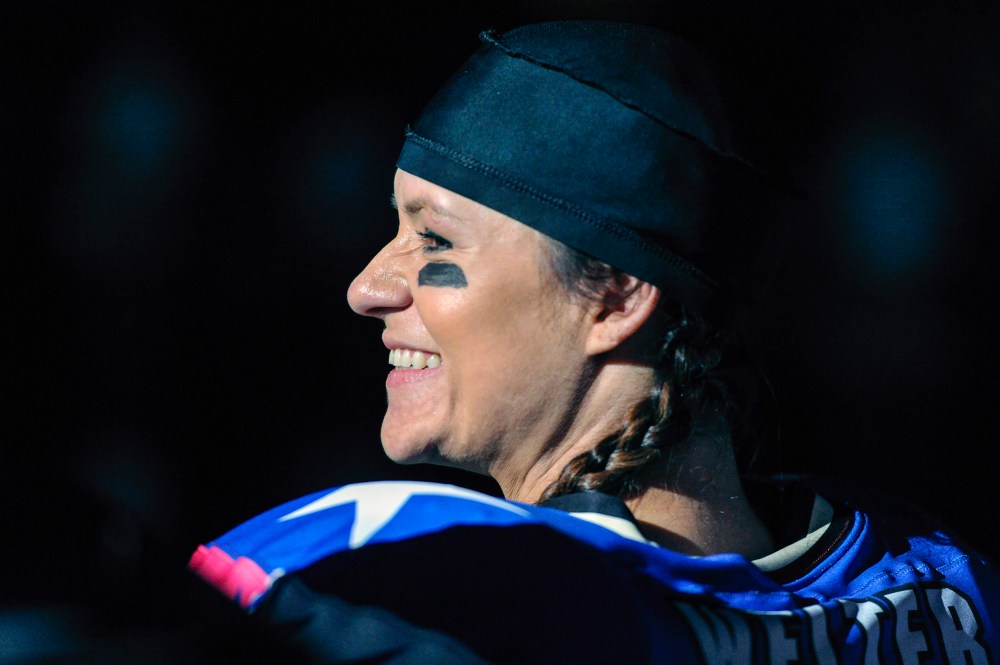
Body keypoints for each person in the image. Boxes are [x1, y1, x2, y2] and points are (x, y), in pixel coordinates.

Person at [188, 20, 1000, 664]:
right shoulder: (939, 589)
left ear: (615, 295)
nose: (367, 286)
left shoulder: (406, 567)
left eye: (434, 241)